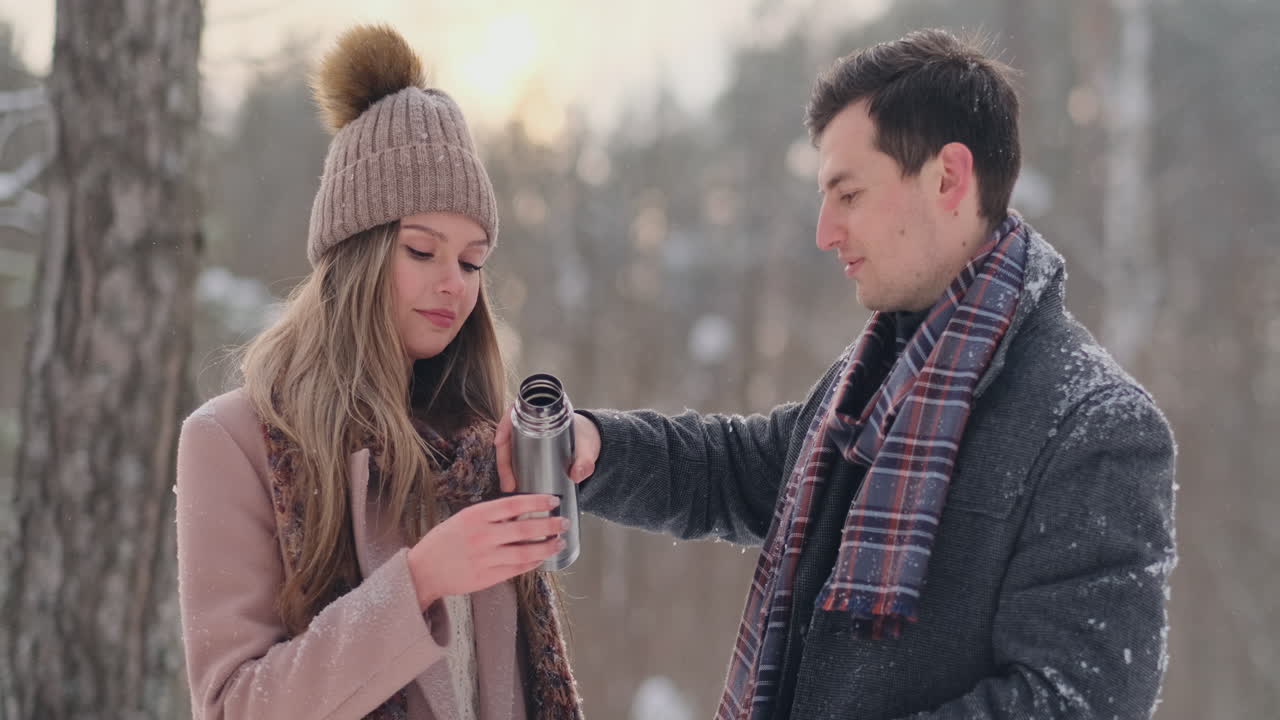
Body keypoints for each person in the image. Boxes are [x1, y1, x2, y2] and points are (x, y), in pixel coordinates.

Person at [497, 28, 1176, 720]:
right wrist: (597, 446)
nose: (824, 231)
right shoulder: (877, 382)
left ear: (948, 178)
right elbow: (740, 470)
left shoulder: (1095, 426)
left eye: (847, 195)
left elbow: (1074, 704)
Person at [176, 25, 582, 720]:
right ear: (355, 256)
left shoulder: (478, 449)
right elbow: (233, 705)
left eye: (471, 259)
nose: (453, 283)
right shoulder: (232, 442)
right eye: (422, 250)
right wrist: (418, 581)